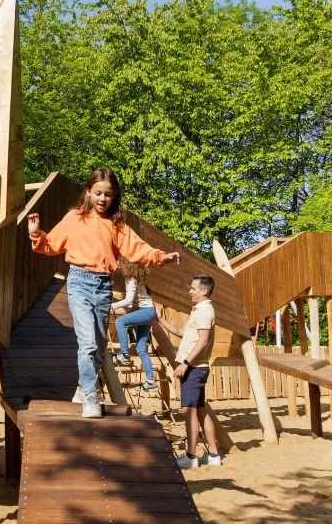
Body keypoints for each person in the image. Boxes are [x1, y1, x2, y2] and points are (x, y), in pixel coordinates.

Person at [27, 167, 180, 418]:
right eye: (98, 193)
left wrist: (161, 256)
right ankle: (90, 395)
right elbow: (52, 244)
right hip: (79, 282)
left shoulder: (117, 224)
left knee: (98, 346)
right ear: (88, 191)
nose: (102, 199)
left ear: (114, 196)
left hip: (104, 286)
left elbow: (137, 248)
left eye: (108, 195)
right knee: (87, 342)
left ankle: (81, 387)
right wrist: (37, 235)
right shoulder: (74, 218)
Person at [157, 274, 220, 467]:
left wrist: (185, 362)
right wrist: (161, 320)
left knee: (188, 410)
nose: (190, 291)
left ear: (204, 291)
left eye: (193, 288)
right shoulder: (200, 311)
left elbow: (203, 341)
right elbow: (183, 333)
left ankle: (191, 457)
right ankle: (214, 455)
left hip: (194, 368)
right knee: (200, 410)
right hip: (196, 368)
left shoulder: (204, 312)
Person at [111, 259, 159, 392]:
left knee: (121, 322)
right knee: (141, 349)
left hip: (146, 311)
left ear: (125, 264)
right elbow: (135, 302)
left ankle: (124, 354)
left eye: (119, 263)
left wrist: (114, 306)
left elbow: (128, 300)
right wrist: (129, 308)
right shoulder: (139, 279)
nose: (118, 265)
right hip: (148, 313)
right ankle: (151, 381)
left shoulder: (131, 278)